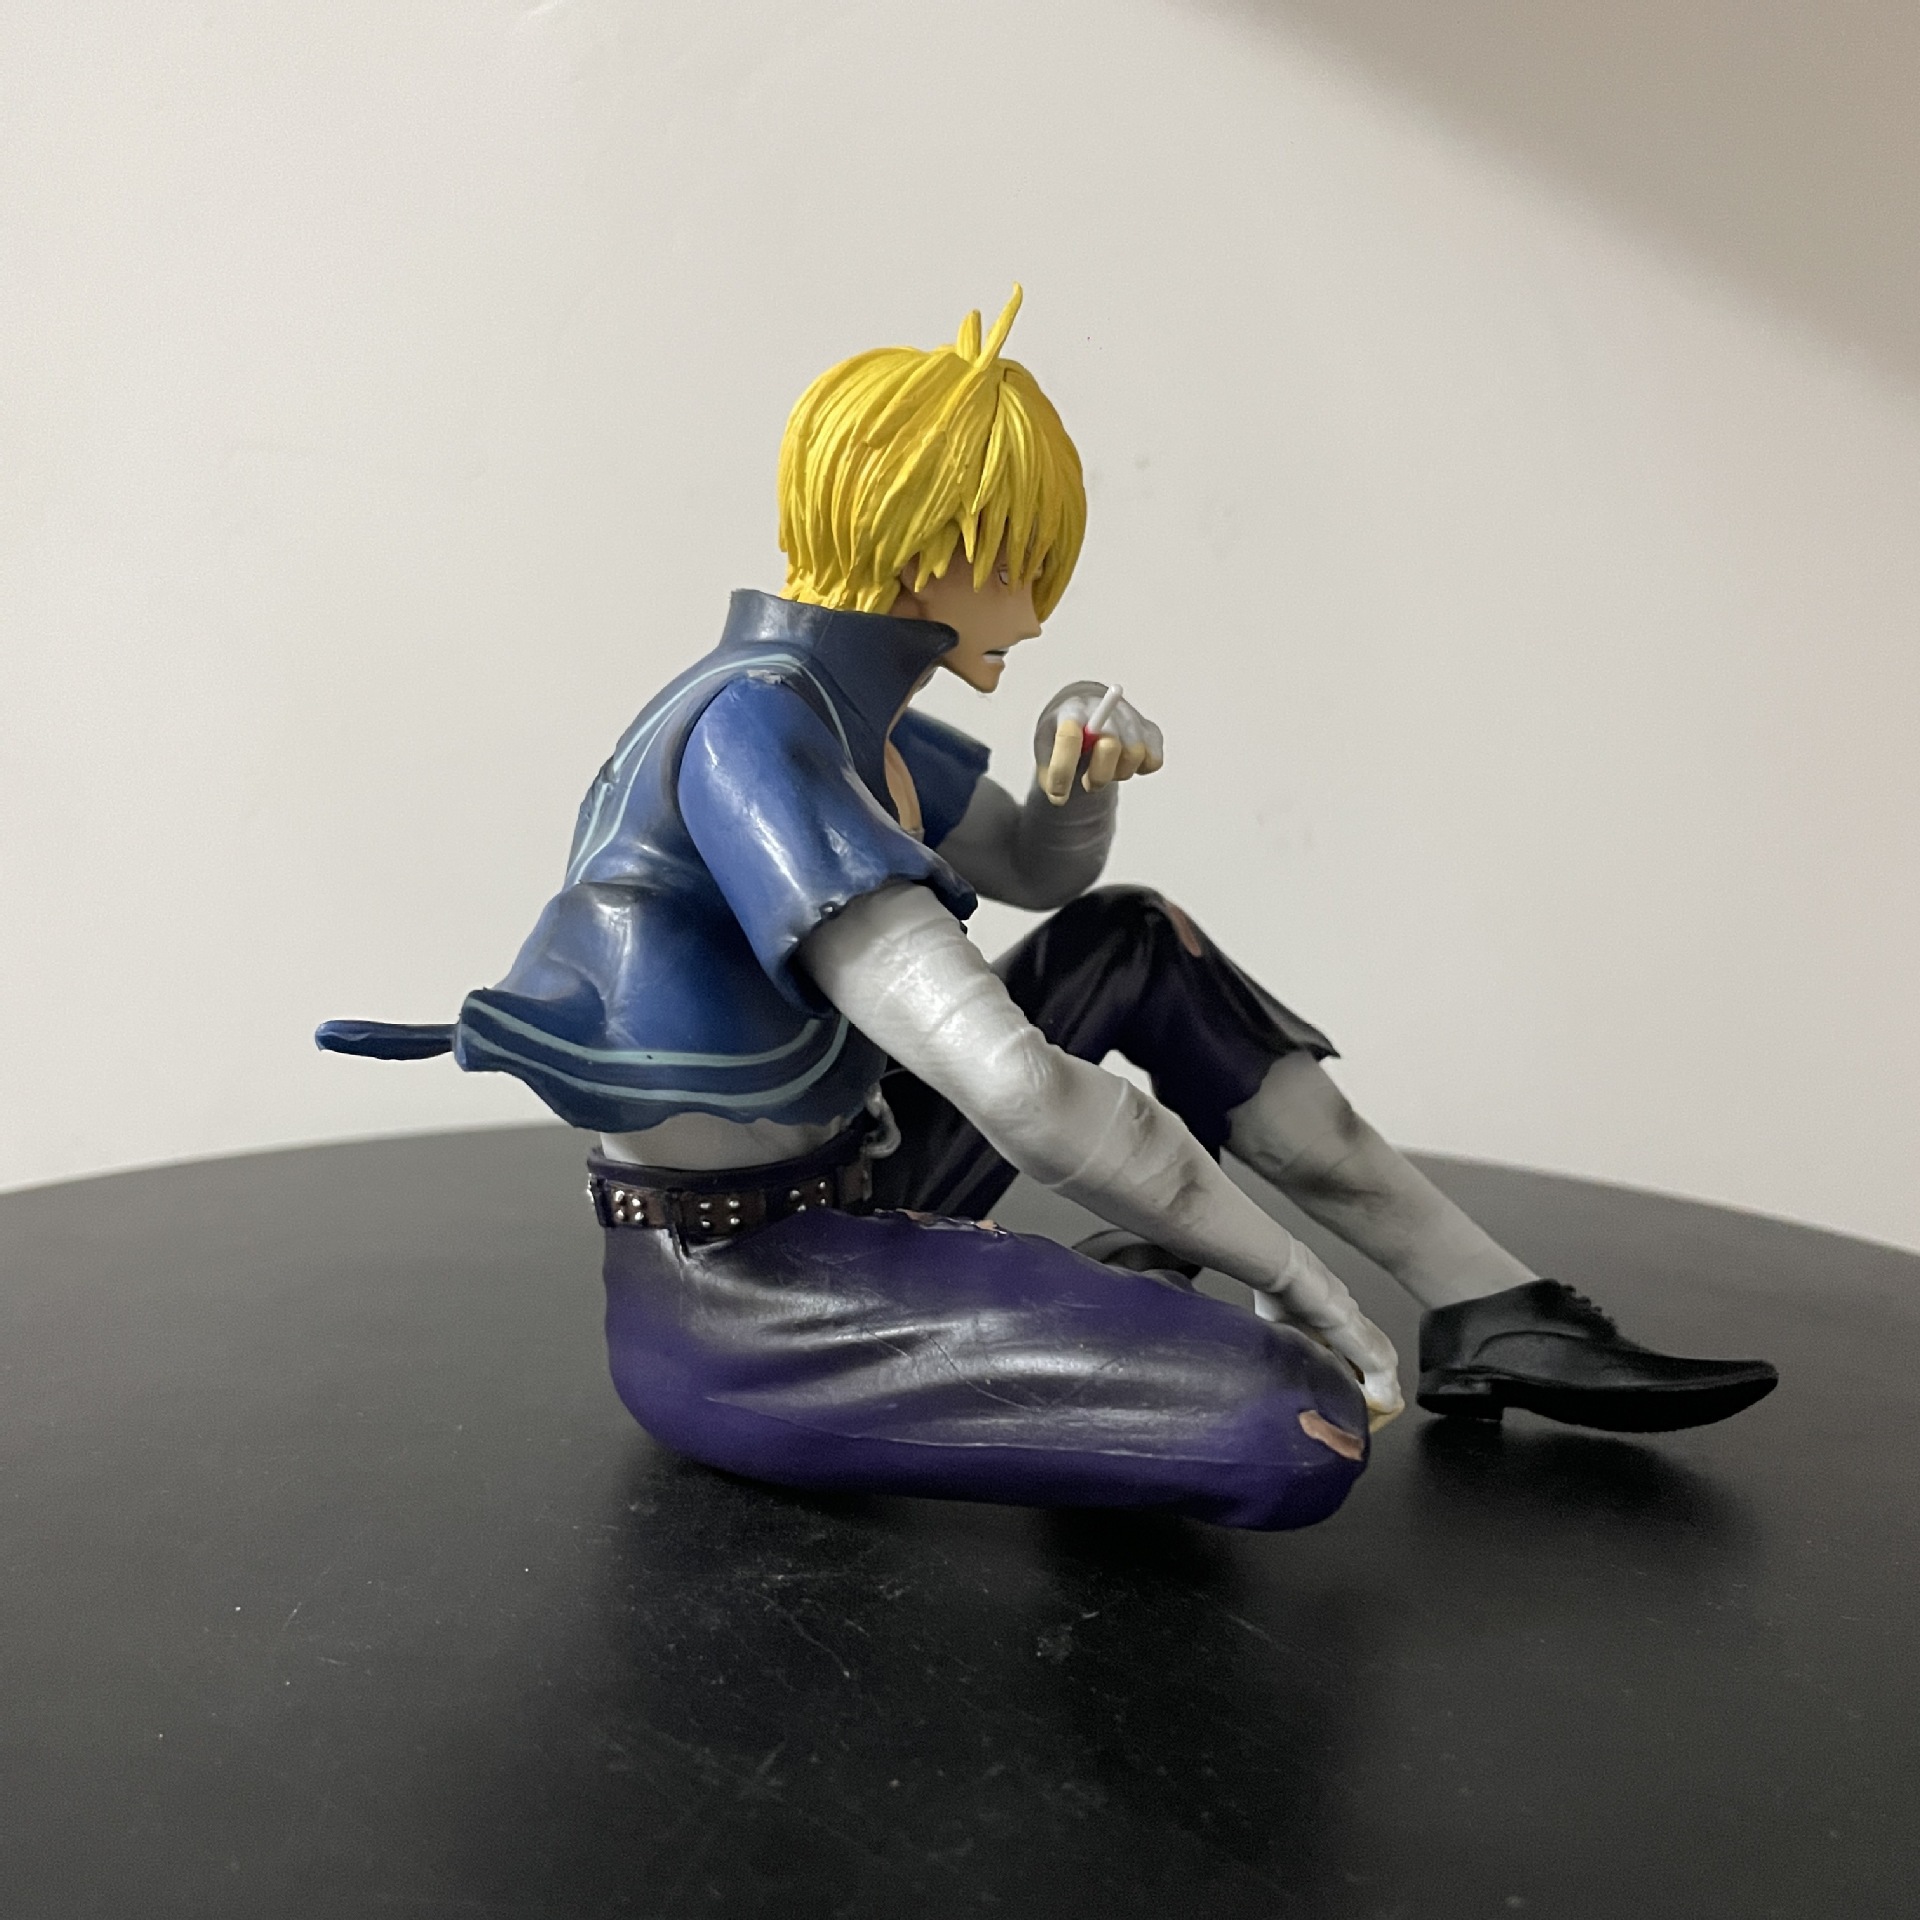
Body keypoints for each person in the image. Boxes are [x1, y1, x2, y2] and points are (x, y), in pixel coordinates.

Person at [318, 288, 1774, 1530]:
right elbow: (1014, 1088)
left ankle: (1486, 1306)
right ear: (936, 547)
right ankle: (1138, 1286)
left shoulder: (853, 712)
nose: (1038, 609)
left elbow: (1040, 873)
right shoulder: (759, 731)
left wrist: (1072, 780)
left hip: (862, 1172)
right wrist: (1291, 1272)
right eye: (1025, 564)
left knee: (1132, 940)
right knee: (1302, 1429)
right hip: (745, 1299)